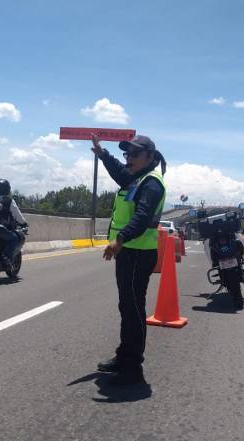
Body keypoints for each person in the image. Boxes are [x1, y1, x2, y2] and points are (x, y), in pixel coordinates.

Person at [91, 134, 166, 386]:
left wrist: (120, 239)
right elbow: (120, 173)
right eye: (127, 154)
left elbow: (142, 217)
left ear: (150, 157)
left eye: (134, 154)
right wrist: (103, 155)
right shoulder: (137, 178)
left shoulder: (151, 183)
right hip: (129, 252)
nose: (129, 159)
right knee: (127, 306)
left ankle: (132, 367)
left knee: (133, 309)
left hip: (137, 253)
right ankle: (124, 356)